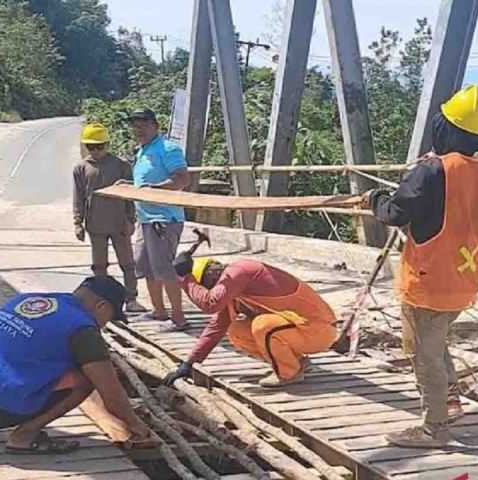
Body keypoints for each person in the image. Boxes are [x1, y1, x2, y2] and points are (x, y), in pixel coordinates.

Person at [363, 85, 478, 448]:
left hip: (428, 281)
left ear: (446, 128)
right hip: (464, 279)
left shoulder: (430, 171)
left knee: (423, 355)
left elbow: (396, 213)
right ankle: (451, 401)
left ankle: (434, 427)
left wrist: (373, 199)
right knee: (435, 343)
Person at [0, 276, 158, 453]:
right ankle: (24, 437)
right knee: (84, 379)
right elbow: (110, 392)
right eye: (109, 317)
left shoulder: (28, 299)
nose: (105, 324)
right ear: (101, 306)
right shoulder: (83, 329)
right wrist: (135, 424)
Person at [162, 257, 337, 388]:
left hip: (318, 329)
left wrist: (186, 279)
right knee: (237, 331)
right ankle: (296, 363)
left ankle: (289, 373)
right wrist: (189, 363)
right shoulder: (235, 290)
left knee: (262, 325)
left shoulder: (241, 271)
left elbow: (210, 303)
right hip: (300, 330)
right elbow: (215, 328)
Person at [127, 108, 191, 331]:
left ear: (156, 125)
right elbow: (142, 184)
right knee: (145, 265)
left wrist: (154, 189)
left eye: (143, 124)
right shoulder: (143, 151)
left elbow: (182, 179)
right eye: (135, 125)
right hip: (145, 218)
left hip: (164, 218)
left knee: (164, 268)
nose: (139, 129)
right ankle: (159, 311)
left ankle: (179, 318)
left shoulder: (168, 148)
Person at [73, 123, 145, 313]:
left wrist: (131, 220)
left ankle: (131, 298)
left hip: (119, 224)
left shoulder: (121, 165)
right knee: (99, 266)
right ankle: (102, 301)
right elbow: (78, 197)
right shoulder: (81, 168)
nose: (96, 151)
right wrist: (77, 223)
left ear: (107, 144)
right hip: (95, 225)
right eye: (91, 147)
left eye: (100, 146)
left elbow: (131, 194)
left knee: (128, 264)